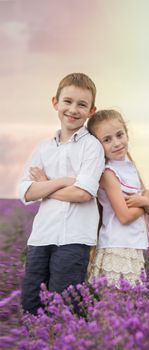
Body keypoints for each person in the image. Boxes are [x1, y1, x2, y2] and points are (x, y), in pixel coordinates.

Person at [19, 73, 105, 314]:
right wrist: (63, 182)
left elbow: (83, 194)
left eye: (82, 104)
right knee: (31, 304)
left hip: (74, 239)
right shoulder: (43, 148)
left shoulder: (92, 146)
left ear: (91, 110)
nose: (73, 109)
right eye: (67, 101)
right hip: (40, 237)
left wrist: (45, 185)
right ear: (55, 102)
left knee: (65, 309)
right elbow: (25, 191)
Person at [86, 109, 149, 286]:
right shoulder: (109, 173)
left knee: (127, 308)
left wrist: (147, 202)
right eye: (107, 140)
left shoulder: (130, 167)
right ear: (98, 145)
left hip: (132, 246)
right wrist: (144, 203)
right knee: (113, 307)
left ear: (127, 133)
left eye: (119, 135)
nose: (116, 143)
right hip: (116, 247)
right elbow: (124, 217)